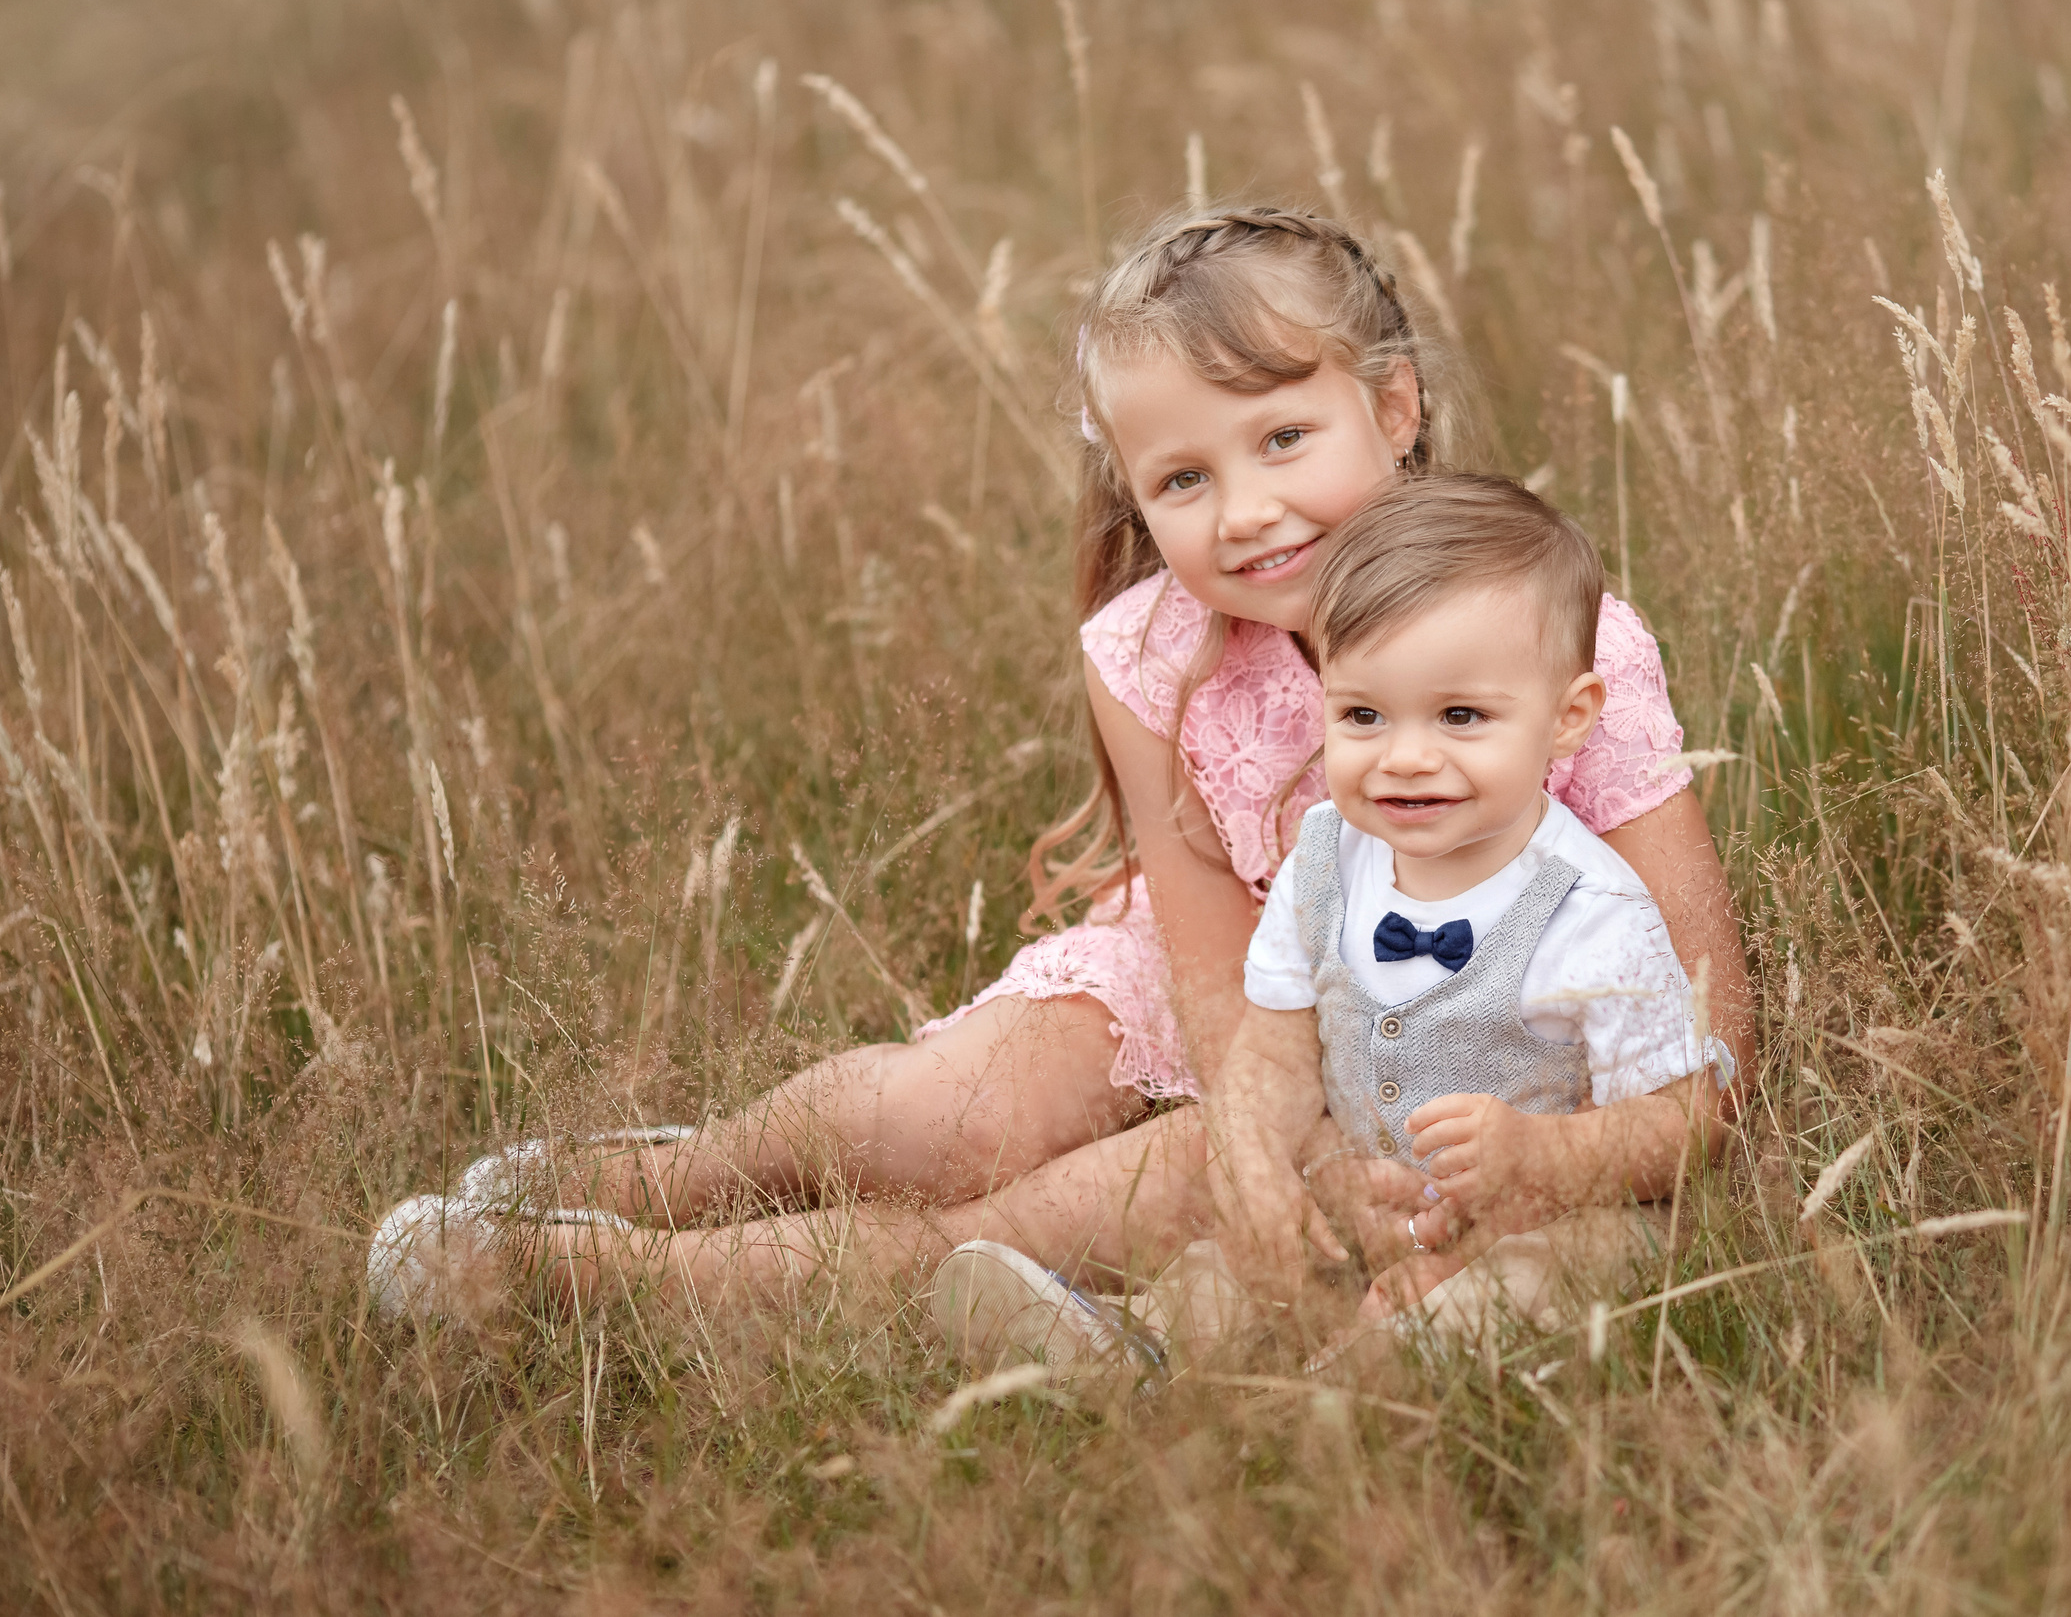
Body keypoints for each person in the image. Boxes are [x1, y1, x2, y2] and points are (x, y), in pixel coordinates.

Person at [369, 206, 1753, 1322]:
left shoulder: (1546, 642)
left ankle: (596, 1284)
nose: (1248, 509)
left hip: (1426, 1030)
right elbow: (1214, 964)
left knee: (1032, 1217)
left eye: (1283, 438)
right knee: (945, 1116)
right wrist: (1277, 1128)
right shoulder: (1150, 649)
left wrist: (1331, 1153)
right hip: (1212, 986)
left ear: (1392, 406)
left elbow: (1703, 1011)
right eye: (1182, 479)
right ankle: (689, 1171)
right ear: (1136, 495)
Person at [930, 477, 1734, 1368]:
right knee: (1229, 1267)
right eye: (1363, 715)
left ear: (1569, 717)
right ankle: (1132, 1347)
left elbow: (1685, 1122)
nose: (1408, 756)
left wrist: (1539, 1157)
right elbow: (1273, 1050)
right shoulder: (1326, 860)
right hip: (1367, 1194)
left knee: (1532, 1282)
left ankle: (1368, 1384)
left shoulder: (1594, 913)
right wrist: (1260, 1160)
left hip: (1553, 1211)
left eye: (1461, 716)